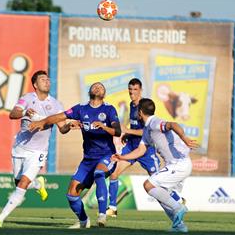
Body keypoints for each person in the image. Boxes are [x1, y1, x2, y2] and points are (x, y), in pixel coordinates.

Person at [28, 82, 121, 228]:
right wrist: (43, 121)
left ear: (104, 93)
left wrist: (103, 126)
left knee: (98, 173)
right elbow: (59, 117)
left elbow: (118, 131)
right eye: (95, 86)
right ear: (89, 91)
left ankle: (103, 214)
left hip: (107, 155)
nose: (98, 88)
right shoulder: (80, 109)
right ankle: (84, 221)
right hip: (88, 159)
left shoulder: (109, 109)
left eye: (101, 87)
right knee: (71, 194)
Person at [0, 70, 73, 228]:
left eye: (48, 79)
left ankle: (0, 218)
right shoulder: (27, 98)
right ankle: (38, 184)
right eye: (43, 79)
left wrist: (70, 126)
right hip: (20, 147)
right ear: (35, 84)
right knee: (18, 181)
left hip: (39, 151)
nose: (47, 81)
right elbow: (13, 114)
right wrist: (24, 112)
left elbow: (63, 129)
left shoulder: (56, 104)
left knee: (22, 184)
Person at [112, 98, 198, 232]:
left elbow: (173, 124)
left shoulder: (155, 122)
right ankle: (179, 225)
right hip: (176, 166)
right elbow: (140, 150)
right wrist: (122, 157)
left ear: (140, 112)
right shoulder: (147, 129)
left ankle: (178, 207)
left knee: (148, 185)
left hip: (179, 164)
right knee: (161, 193)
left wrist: (184, 138)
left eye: (137, 112)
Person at [106, 78, 161, 217]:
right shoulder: (131, 105)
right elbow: (135, 126)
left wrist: (128, 131)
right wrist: (128, 135)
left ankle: (178, 200)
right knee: (114, 173)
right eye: (130, 89)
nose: (132, 92)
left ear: (140, 90)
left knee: (158, 182)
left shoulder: (146, 107)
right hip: (131, 147)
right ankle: (112, 207)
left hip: (146, 150)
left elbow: (148, 131)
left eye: (135, 89)